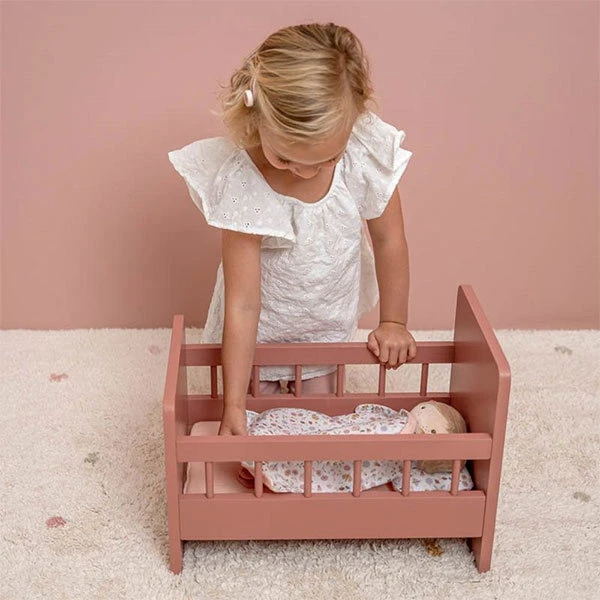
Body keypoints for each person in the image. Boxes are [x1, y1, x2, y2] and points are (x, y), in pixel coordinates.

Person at [168, 23, 417, 436]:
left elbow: (389, 239)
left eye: (327, 159)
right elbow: (242, 302)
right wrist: (233, 404)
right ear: (256, 121)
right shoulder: (244, 182)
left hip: (326, 324)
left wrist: (394, 320)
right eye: (285, 159)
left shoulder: (362, 155)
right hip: (258, 334)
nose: (305, 173)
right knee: (255, 424)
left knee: (322, 425)